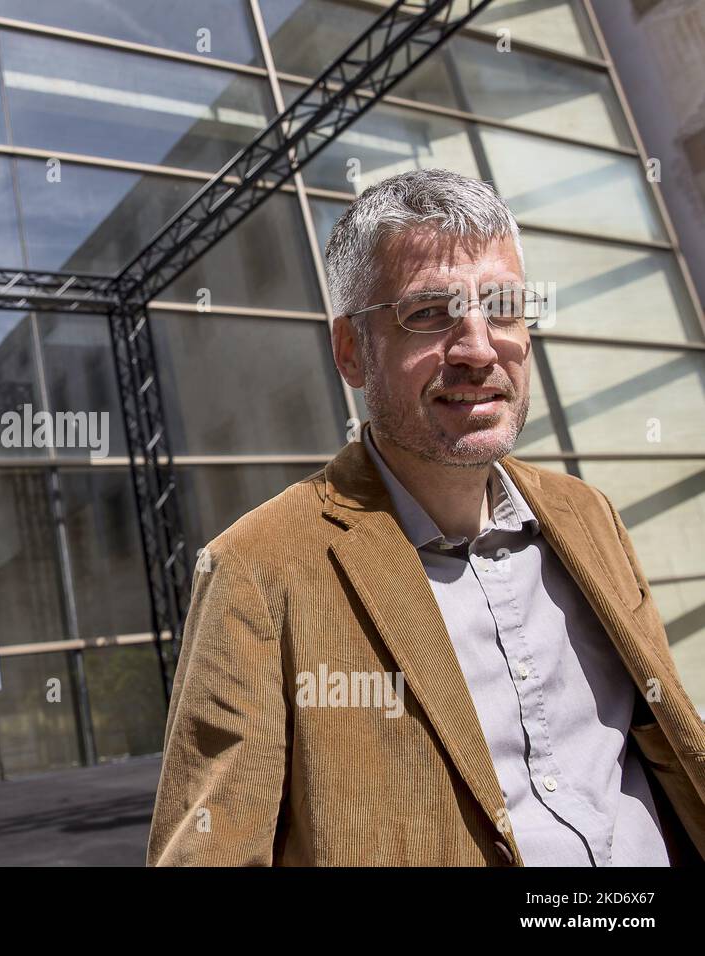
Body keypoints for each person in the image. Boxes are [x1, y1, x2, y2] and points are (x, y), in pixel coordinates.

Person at [146, 168, 705, 866]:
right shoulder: (256, 571)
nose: (478, 348)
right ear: (352, 351)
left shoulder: (587, 516)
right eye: (430, 313)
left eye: (502, 307)